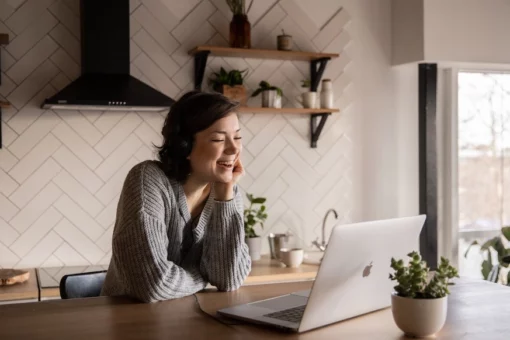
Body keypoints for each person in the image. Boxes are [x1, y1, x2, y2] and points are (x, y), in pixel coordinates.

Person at [101, 91, 251, 302]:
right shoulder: (148, 179)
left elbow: (229, 279)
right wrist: (202, 276)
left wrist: (225, 196)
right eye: (218, 139)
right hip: (128, 322)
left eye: (237, 137)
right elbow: (153, 284)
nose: (234, 148)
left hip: (187, 321)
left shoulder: (227, 192)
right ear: (185, 146)